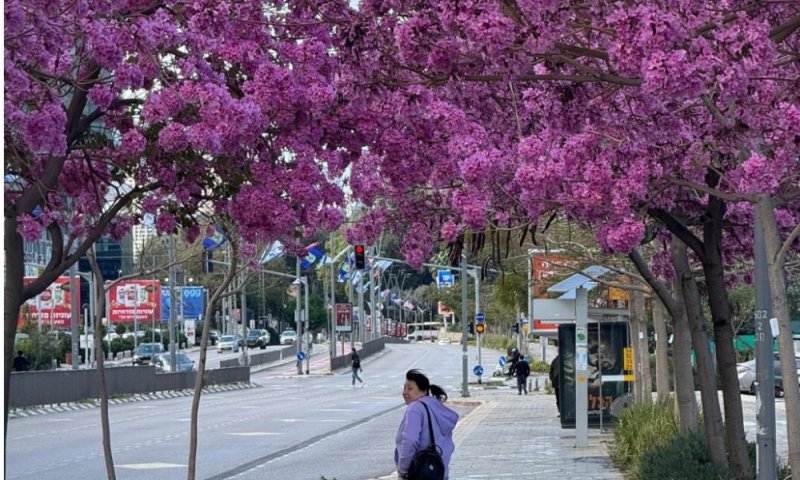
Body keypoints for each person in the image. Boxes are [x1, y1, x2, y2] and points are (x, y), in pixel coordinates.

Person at [395, 369, 459, 480]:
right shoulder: (436, 407)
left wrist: (403, 469)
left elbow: (410, 440)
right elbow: (450, 445)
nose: (405, 392)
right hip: (438, 473)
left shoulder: (415, 409)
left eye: (410, 388)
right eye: (404, 388)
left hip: (419, 474)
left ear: (423, 391)